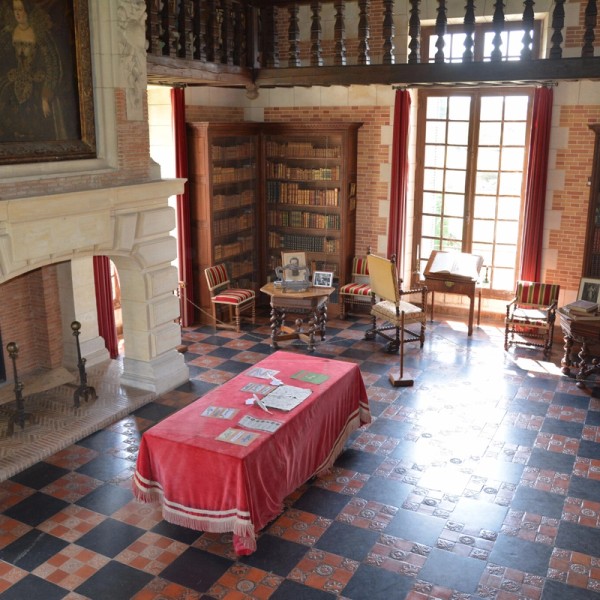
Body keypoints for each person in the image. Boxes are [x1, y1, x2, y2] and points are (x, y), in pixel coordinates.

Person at [0, 0, 67, 142]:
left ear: (28, 10)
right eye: (15, 9)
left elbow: (53, 65)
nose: (17, 13)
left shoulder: (41, 35)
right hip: (12, 87)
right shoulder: (6, 34)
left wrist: (45, 96)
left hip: (37, 89)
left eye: (20, 9)